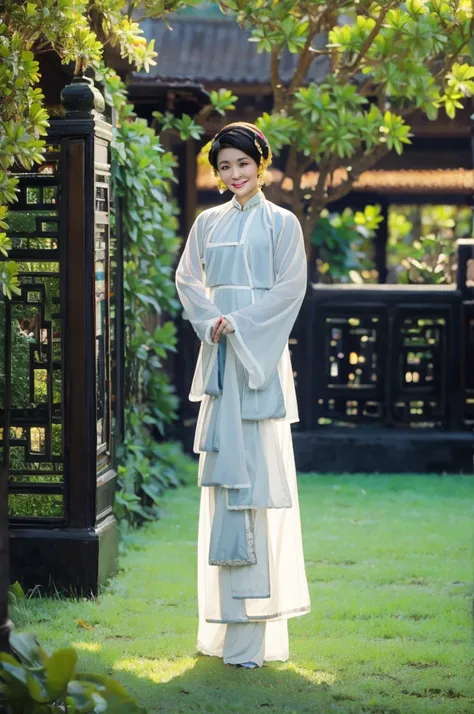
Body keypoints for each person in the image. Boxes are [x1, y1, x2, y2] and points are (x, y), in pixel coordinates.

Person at [175, 122, 310, 669]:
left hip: (258, 357)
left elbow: (289, 290)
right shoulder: (206, 224)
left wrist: (241, 322)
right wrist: (213, 322)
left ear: (262, 162)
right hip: (222, 358)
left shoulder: (284, 224)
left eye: (242, 163)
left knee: (254, 480)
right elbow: (188, 281)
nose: (234, 174)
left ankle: (255, 637)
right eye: (224, 166)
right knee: (224, 481)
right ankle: (223, 632)